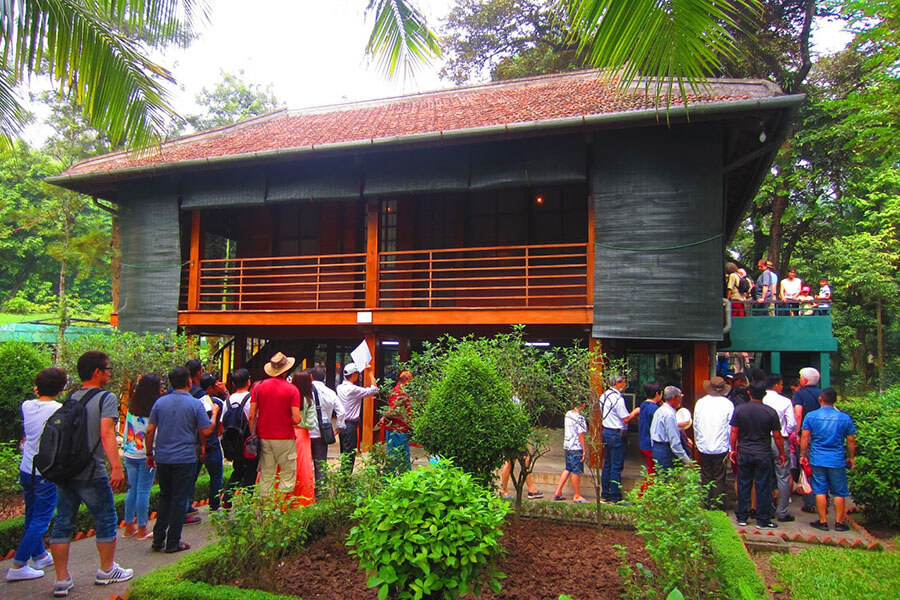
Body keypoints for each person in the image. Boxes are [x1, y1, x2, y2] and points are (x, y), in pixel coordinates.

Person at [49, 351, 133, 597]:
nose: (109, 373)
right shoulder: (105, 398)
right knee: (106, 518)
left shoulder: (72, 397)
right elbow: (107, 434)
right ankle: (107, 570)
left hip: (66, 471)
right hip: (90, 471)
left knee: (63, 522)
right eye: (107, 369)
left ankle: (61, 579)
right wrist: (116, 467)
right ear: (97, 372)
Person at [6, 368, 66, 582]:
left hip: (27, 468)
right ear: (61, 388)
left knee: (32, 514)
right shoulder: (59, 410)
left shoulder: (27, 406)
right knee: (42, 518)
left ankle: (39, 554)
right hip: (45, 471)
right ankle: (18, 564)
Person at [145, 366, 215, 554]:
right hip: (184, 457)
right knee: (179, 499)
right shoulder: (195, 404)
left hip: (163, 456)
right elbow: (206, 430)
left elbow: (150, 430)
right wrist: (215, 415)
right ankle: (173, 541)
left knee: (165, 496)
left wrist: (149, 454)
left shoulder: (160, 403)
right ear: (190, 382)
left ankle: (158, 538)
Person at [730, 381, 786, 529]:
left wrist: (733, 449)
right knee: (763, 486)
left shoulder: (740, 410)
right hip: (763, 452)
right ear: (764, 394)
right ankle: (763, 519)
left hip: (745, 450)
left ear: (749, 393)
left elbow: (734, 431)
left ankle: (742, 516)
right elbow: (777, 435)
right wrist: (782, 453)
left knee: (744, 484)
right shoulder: (770, 412)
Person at [800, 388, 856, 532]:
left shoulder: (811, 416)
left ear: (820, 399)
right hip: (837, 459)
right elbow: (850, 439)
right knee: (839, 491)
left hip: (818, 457)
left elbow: (805, 437)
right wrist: (851, 457)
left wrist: (802, 455)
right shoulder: (844, 418)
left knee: (820, 490)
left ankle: (823, 521)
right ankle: (839, 522)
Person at [250, 352, 301, 496]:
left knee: (266, 474)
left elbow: (251, 415)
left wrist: (253, 434)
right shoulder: (292, 390)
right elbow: (296, 418)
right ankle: (280, 510)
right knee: (287, 474)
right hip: (285, 437)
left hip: (264, 436)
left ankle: (266, 512)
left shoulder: (258, 387)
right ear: (286, 370)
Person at [122, 373, 161, 539]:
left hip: (129, 453)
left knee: (132, 490)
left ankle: (129, 526)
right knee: (143, 491)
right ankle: (143, 529)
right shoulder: (153, 409)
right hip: (146, 455)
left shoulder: (132, 406)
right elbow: (153, 433)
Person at [597, 374, 640, 504]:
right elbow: (625, 418)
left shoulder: (603, 396)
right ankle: (615, 497)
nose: (625, 385)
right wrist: (636, 411)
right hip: (616, 433)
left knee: (607, 465)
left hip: (606, 431)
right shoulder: (618, 399)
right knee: (616, 466)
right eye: (624, 382)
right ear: (618, 382)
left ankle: (605, 495)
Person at [693, 376, 735, 509]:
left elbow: (696, 424)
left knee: (705, 475)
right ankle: (716, 505)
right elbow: (730, 427)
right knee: (719, 477)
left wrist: (697, 442)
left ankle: (706, 502)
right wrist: (731, 446)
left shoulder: (701, 403)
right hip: (721, 446)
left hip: (704, 445)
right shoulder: (728, 404)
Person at [762, 374, 797, 522]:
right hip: (780, 440)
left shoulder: (761, 399)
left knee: (764, 475)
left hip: (762, 440)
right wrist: (786, 432)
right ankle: (782, 511)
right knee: (783, 475)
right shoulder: (785, 401)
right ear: (776, 385)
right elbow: (792, 424)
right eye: (781, 384)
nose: (782, 387)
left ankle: (766, 508)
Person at [221, 368, 257, 508]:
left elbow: (222, 422)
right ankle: (247, 502)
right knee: (250, 470)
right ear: (248, 381)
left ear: (234, 384)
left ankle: (227, 497)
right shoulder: (251, 399)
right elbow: (252, 417)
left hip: (234, 441)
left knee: (237, 469)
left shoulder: (227, 401)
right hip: (248, 439)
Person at [498, 391, 542, 499]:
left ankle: (504, 489)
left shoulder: (510, 400)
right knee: (522, 459)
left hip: (512, 436)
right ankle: (528, 489)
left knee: (512, 461)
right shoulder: (513, 401)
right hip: (513, 436)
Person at [336, 363, 379, 473]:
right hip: (350, 425)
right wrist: (369, 372)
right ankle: (346, 480)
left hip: (342, 424)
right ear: (354, 374)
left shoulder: (339, 387)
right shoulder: (353, 390)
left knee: (344, 453)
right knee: (349, 454)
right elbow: (375, 389)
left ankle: (343, 478)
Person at [309, 366, 344, 494]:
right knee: (320, 465)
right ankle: (321, 494)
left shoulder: (305, 391)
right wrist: (339, 427)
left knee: (305, 465)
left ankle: (305, 493)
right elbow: (341, 411)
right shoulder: (330, 392)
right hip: (322, 434)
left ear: (311, 377)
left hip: (306, 433)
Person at [793, 367, 822, 514]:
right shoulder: (823, 394)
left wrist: (796, 432)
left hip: (806, 435)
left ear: (804, 380)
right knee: (820, 467)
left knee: (806, 466)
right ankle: (823, 499)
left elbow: (798, 413)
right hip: (821, 435)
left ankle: (810, 501)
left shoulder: (800, 394)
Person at [196, 373, 226, 511]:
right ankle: (214, 503)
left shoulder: (195, 401)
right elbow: (220, 426)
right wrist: (225, 392)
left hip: (196, 444)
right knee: (216, 476)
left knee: (192, 477)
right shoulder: (217, 404)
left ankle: (185, 506)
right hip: (212, 443)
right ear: (210, 387)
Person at [552, 396, 588, 503]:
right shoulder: (579, 417)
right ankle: (576, 495)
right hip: (576, 447)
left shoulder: (568, 414)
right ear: (583, 404)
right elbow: (581, 434)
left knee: (568, 468)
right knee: (576, 471)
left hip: (567, 445)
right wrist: (584, 449)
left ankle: (558, 491)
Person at [649, 386, 692, 473]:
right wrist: (686, 459)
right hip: (665, 450)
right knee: (667, 480)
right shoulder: (669, 414)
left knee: (661, 478)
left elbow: (653, 431)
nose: (680, 401)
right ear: (673, 398)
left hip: (657, 448)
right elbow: (675, 442)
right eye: (679, 398)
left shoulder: (660, 410)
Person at [379, 370, 415, 475]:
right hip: (397, 429)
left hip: (402, 429)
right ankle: (388, 481)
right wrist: (385, 417)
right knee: (394, 457)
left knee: (403, 457)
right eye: (410, 379)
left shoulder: (401, 391)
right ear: (406, 380)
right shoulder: (400, 392)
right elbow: (393, 408)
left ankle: (406, 480)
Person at [291, 371, 316, 504]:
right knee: (303, 469)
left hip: (287, 433)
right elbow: (310, 424)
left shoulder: (289, 398)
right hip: (302, 435)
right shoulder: (309, 401)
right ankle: (302, 500)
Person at [637, 382, 663, 477]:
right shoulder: (655, 409)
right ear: (657, 394)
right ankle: (642, 492)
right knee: (652, 475)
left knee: (650, 471)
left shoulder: (643, 405)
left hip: (643, 443)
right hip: (651, 445)